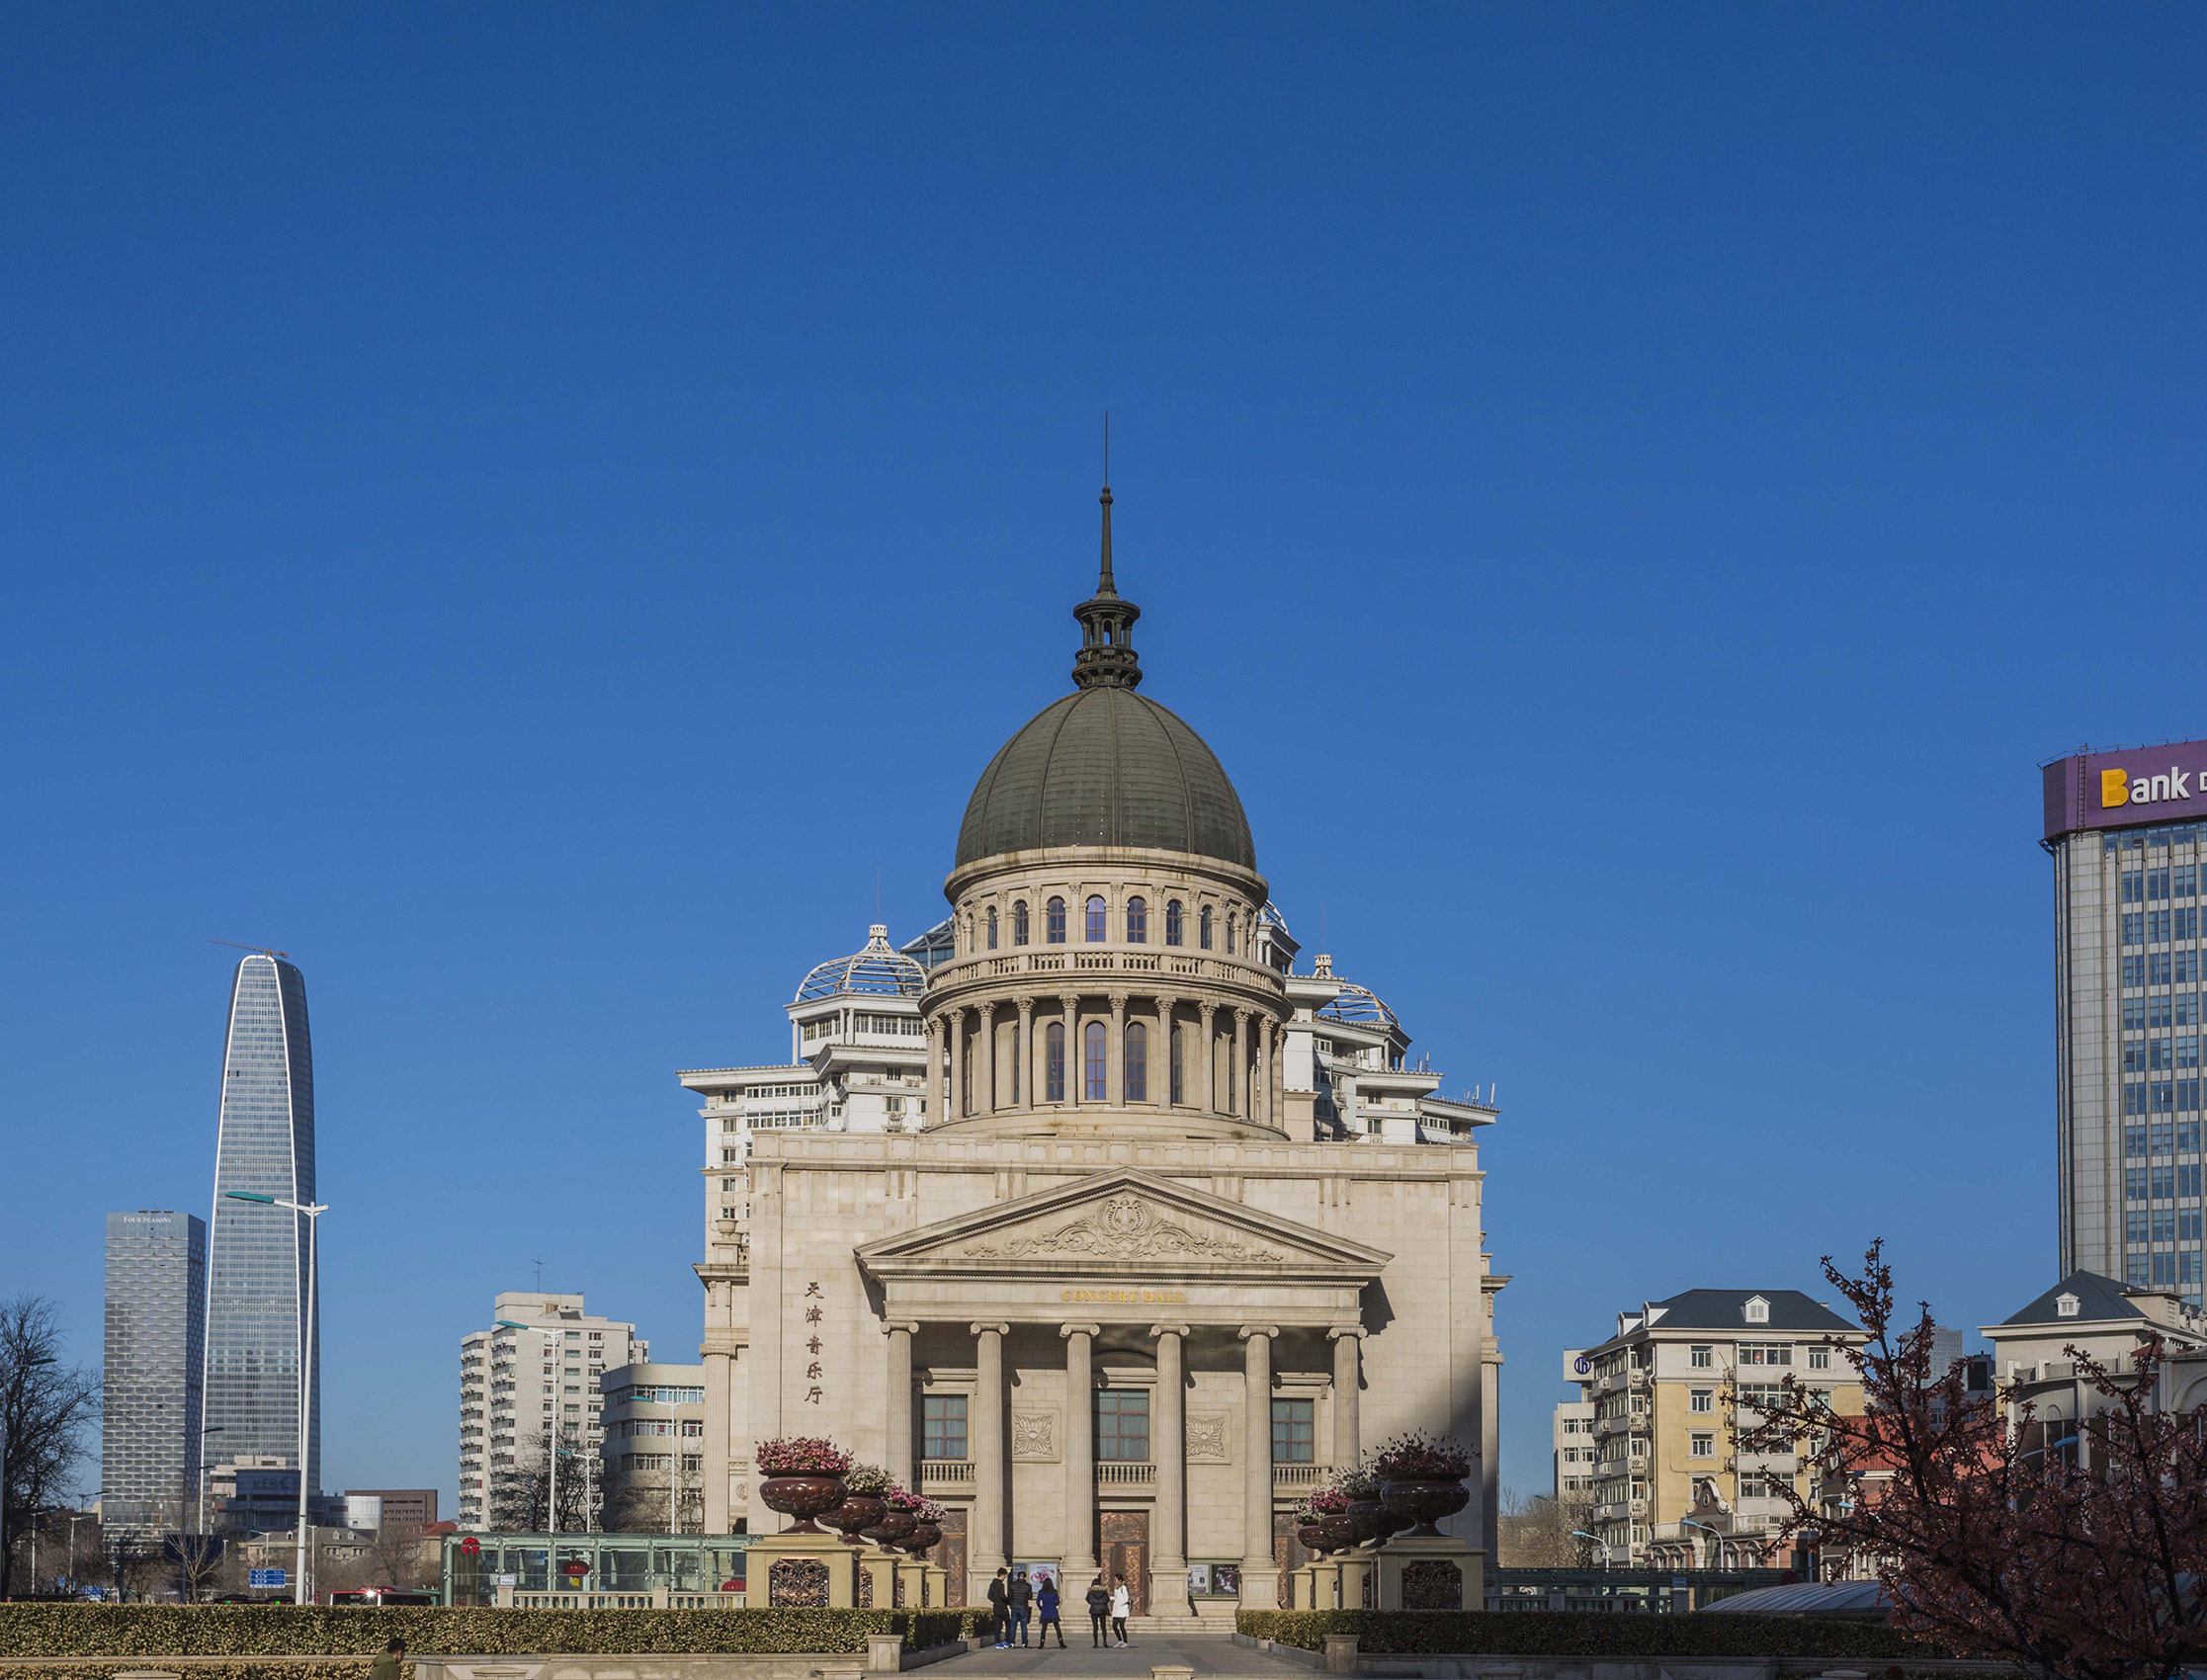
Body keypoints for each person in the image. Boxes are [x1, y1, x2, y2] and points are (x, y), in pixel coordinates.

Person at [1006, 1568, 1036, 1647]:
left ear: (1018, 1576)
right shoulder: (1028, 1586)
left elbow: (1009, 1595)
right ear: (1025, 1577)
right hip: (1023, 1607)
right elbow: (1030, 1596)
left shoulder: (1012, 1585)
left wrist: (1012, 1603)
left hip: (1014, 1607)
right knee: (1024, 1626)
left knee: (1013, 1626)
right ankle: (1024, 1643)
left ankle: (1012, 1642)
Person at [1036, 1575, 1066, 1648]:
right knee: (1057, 1628)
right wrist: (1054, 1604)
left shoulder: (1041, 1592)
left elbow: (1037, 1602)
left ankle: (1042, 1643)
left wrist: (1041, 1608)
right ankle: (1061, 1643)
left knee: (1044, 1629)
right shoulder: (1054, 1592)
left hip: (1045, 1611)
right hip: (1053, 1611)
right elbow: (1057, 1602)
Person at [986, 1567, 1011, 1648]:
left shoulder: (992, 1584)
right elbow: (1002, 1596)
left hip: (996, 1607)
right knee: (1008, 1624)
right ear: (1002, 1575)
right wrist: (1008, 1601)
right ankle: (1007, 1641)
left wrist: (995, 1601)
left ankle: (998, 1642)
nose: (1005, 1577)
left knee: (997, 1626)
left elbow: (989, 1596)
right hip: (1002, 1607)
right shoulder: (1001, 1584)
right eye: (1005, 1576)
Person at [1085, 1575, 1111, 1646]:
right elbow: (1107, 1599)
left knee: (1095, 1627)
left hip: (1094, 1610)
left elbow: (1087, 1599)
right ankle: (1104, 1641)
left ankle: (1095, 1643)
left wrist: (1093, 1603)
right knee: (1103, 1627)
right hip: (1102, 1610)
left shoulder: (1091, 1591)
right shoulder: (1103, 1591)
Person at [1110, 1574, 1132, 1647]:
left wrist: (1119, 1603)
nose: (1114, 1581)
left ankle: (1125, 1642)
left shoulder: (1123, 1587)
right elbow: (1117, 1597)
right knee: (1114, 1626)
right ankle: (1120, 1640)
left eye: (1115, 1580)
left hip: (1122, 1610)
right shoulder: (1116, 1588)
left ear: (1120, 1580)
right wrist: (1110, 1598)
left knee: (1121, 1626)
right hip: (1116, 1610)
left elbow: (1126, 1599)